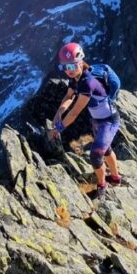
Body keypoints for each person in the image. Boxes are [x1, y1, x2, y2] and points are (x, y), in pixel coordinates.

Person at [52, 41, 121, 199]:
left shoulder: (87, 82)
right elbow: (69, 96)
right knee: (107, 150)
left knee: (96, 155)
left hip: (109, 121)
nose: (68, 70)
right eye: (65, 67)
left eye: (72, 66)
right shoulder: (75, 78)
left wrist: (60, 127)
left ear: (81, 62)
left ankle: (103, 184)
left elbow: (75, 111)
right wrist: (59, 113)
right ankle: (116, 178)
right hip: (97, 121)